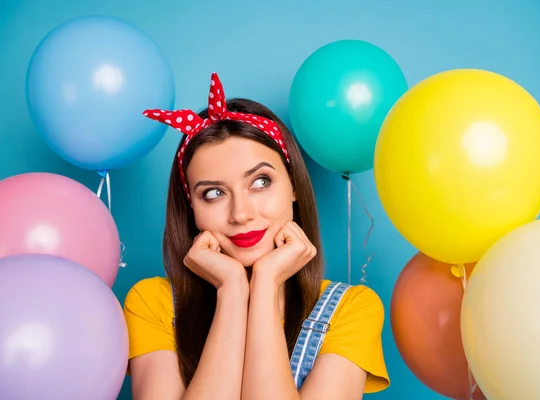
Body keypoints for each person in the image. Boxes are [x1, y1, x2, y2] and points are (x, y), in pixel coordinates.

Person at [123, 72, 390, 400]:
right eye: (214, 193)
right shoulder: (153, 303)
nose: (241, 214)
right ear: (190, 205)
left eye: (260, 182)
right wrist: (232, 291)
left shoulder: (350, 309)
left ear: (292, 183)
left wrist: (265, 285)